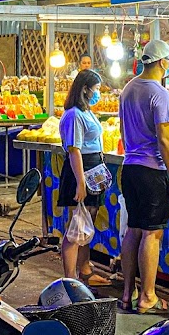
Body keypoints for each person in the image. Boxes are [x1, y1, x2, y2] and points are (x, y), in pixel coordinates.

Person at [118, 39, 169, 315]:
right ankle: (148, 296)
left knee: (133, 229)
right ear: (162, 62)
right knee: (152, 234)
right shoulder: (159, 93)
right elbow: (165, 139)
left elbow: (123, 130)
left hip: (130, 168)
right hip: (151, 171)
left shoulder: (128, 88)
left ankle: (126, 293)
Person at [58, 69, 111, 286]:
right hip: (80, 171)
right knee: (75, 227)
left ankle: (85, 270)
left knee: (86, 223)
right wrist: (80, 182)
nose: (98, 93)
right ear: (85, 89)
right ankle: (70, 279)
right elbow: (74, 150)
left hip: (93, 169)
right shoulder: (73, 115)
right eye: (96, 89)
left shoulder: (87, 111)